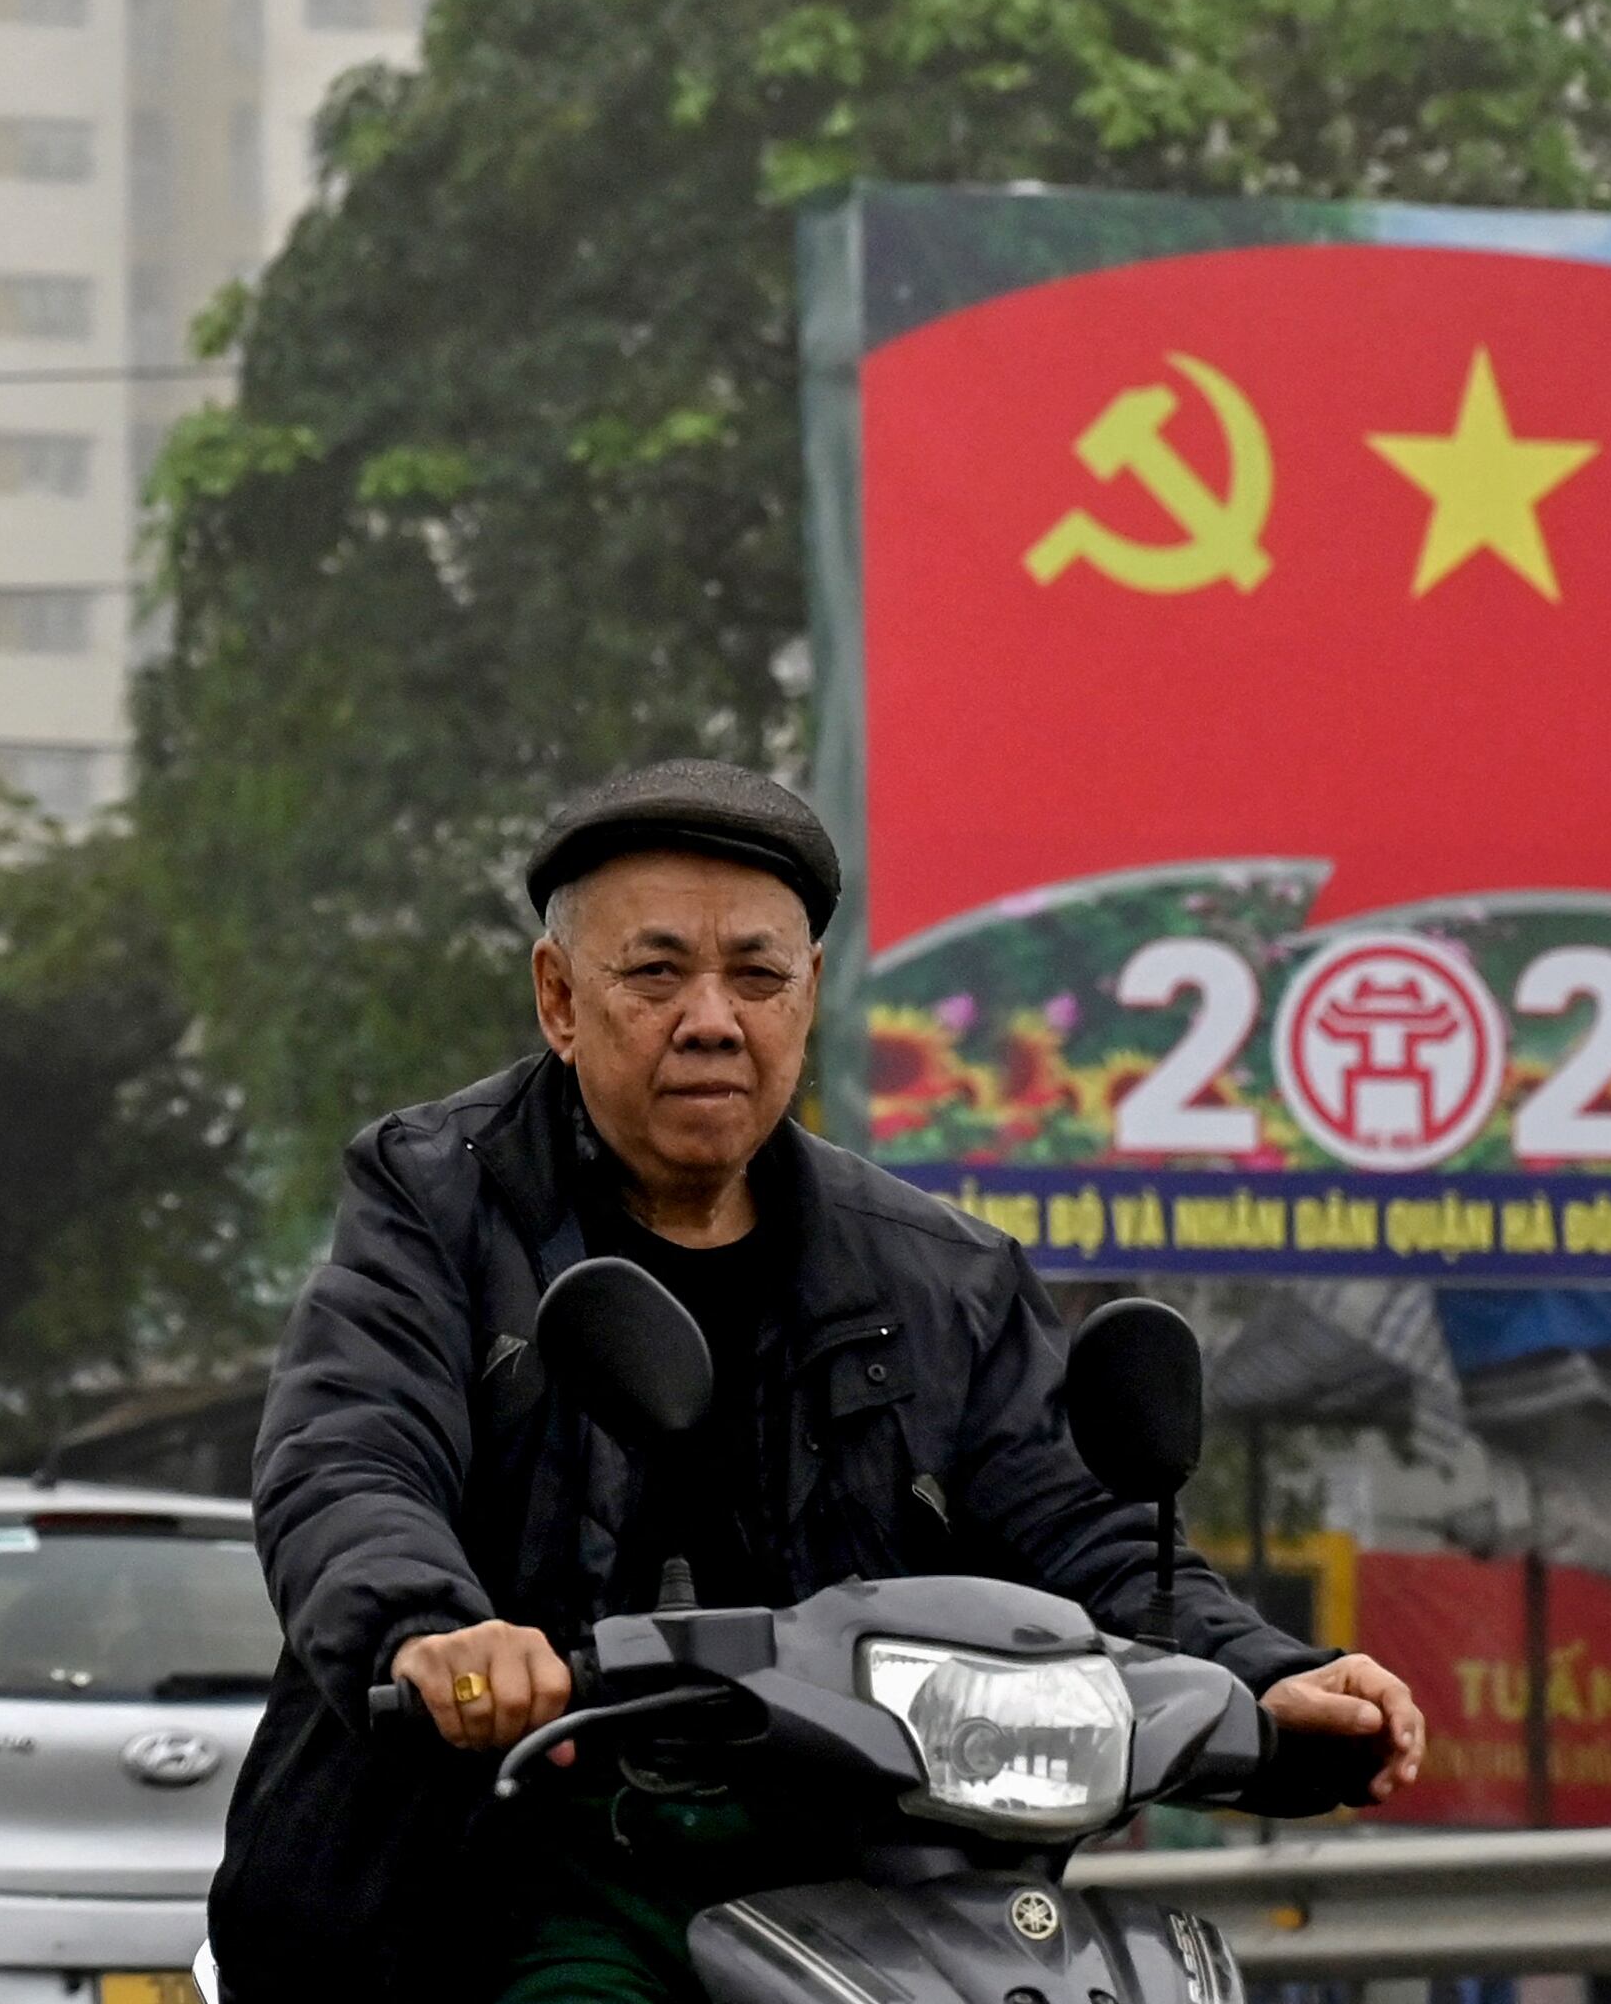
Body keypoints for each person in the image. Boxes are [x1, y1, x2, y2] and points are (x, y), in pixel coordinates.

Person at [211, 759, 1426, 2003]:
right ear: (559, 998)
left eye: (756, 975)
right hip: (504, 1864)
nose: (711, 1018)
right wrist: (430, 1629)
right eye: (656, 972)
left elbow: (1080, 1526)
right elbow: (352, 1455)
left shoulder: (940, 1273)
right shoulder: (437, 1201)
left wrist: (1265, 1669)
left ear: (811, 995)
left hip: (867, 1881)